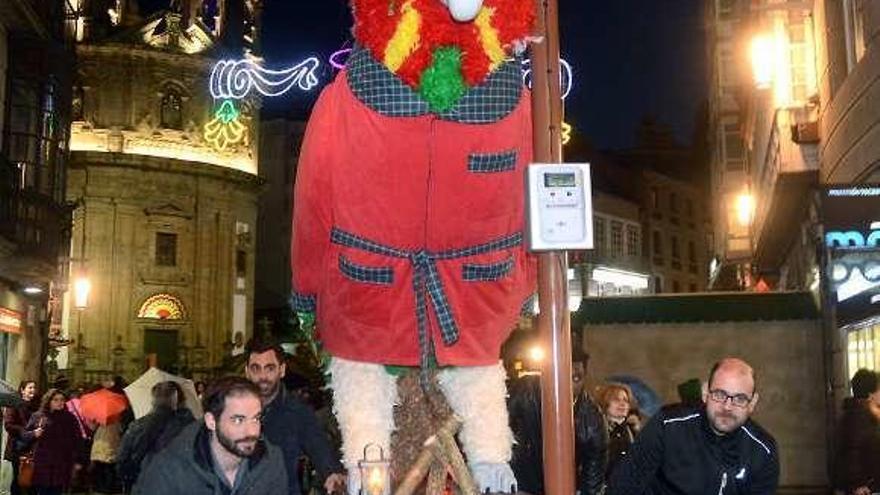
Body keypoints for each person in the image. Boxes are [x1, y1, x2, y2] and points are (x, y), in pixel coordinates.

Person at [608, 358, 779, 494]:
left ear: (752, 403)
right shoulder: (667, 425)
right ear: (705, 392)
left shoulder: (763, 452)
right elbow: (623, 486)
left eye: (740, 399)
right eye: (719, 394)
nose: (727, 407)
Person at [132, 376, 288, 494]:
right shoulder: (168, 469)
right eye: (238, 420)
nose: (252, 431)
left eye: (256, 418)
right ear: (211, 421)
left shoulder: (271, 462)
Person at [244, 337, 345, 495]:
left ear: (282, 370)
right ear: (247, 372)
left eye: (269, 368)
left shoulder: (299, 412)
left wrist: (332, 475)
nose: (262, 376)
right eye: (256, 368)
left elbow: (321, 451)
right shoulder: (234, 411)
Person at [508, 350, 607, 495]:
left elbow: (592, 480)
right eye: (561, 376)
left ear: (584, 379)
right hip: (518, 481)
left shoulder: (593, 421)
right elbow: (498, 426)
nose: (566, 384)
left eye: (575, 378)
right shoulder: (526, 390)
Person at [117, 381, 196, 491]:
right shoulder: (192, 427)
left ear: (153, 399)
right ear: (179, 400)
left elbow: (122, 460)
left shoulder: (138, 425)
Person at [26, 389, 84, 495]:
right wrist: (33, 434)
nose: (60, 402)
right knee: (42, 490)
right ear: (49, 401)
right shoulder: (38, 416)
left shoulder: (70, 418)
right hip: (42, 463)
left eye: (62, 400)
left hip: (62, 463)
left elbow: (78, 440)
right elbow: (26, 436)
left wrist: (78, 461)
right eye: (56, 400)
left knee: (58, 490)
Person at [833, 368, 880, 495]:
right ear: (871, 394)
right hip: (863, 489)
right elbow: (851, 452)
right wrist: (857, 484)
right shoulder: (858, 417)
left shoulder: (865, 415)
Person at [597, 383, 640, 479]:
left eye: (626, 400)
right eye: (616, 400)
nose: (622, 404)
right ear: (606, 403)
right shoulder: (597, 430)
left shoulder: (633, 431)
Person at [4, 380, 38, 495]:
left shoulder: (35, 406)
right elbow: (8, 425)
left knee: (31, 479)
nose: (33, 390)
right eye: (30, 388)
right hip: (17, 447)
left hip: (32, 448)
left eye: (34, 388)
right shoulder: (14, 404)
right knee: (18, 478)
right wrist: (27, 432)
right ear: (22, 390)